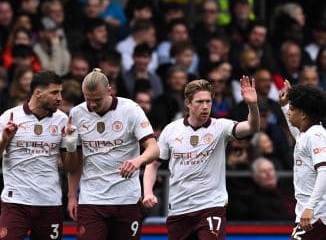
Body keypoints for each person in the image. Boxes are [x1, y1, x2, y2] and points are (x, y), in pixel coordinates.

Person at [143, 76, 260, 240]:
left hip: (211, 206)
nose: (205, 107)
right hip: (179, 209)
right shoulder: (171, 130)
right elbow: (152, 164)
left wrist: (252, 105)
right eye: (199, 102)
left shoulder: (221, 127)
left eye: (208, 101)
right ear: (188, 103)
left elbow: (252, 127)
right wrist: (148, 192)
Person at [67, 68, 159, 240]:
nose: (92, 105)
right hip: (91, 199)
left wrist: (138, 161)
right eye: (88, 100)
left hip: (126, 199)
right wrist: (72, 196)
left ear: (110, 91)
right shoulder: (77, 114)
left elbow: (154, 148)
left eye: (97, 100)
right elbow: (74, 163)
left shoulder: (130, 109)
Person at [0, 70, 78, 239]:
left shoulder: (63, 120)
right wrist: (4, 140)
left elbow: (71, 167)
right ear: (37, 93)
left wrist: (71, 144)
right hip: (16, 201)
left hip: (49, 203)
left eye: (61, 92)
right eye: (54, 93)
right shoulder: (10, 117)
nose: (60, 98)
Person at [279, 81, 326, 239]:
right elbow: (298, 137)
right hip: (311, 215)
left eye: (292, 110)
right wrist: (285, 105)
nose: (289, 113)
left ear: (304, 114)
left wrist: (310, 208)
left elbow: (324, 171)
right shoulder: (305, 134)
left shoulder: (316, 135)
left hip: (316, 216)